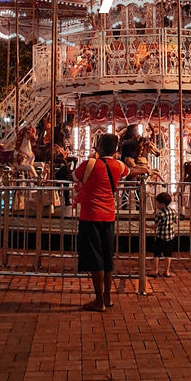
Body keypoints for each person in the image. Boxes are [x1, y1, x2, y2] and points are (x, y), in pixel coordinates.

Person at [72, 132, 126, 312]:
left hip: (90, 216)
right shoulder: (119, 165)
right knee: (107, 257)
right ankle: (108, 296)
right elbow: (129, 171)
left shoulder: (90, 164)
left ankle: (98, 300)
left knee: (95, 260)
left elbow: (74, 176)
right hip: (109, 216)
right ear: (116, 149)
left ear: (99, 146)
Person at [151, 191, 178, 277]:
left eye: (157, 203)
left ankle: (155, 270)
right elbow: (176, 221)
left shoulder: (159, 214)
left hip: (161, 236)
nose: (157, 205)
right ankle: (167, 271)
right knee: (168, 254)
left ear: (162, 204)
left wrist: (146, 226)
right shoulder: (173, 211)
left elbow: (155, 226)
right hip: (170, 236)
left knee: (157, 254)